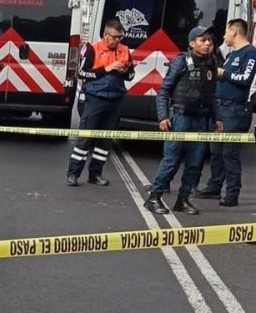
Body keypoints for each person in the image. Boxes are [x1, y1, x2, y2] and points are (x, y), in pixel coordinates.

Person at [144, 26, 223, 215]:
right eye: (202, 40)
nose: (207, 44)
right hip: (180, 118)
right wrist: (163, 117)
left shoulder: (212, 61)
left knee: (195, 164)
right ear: (191, 43)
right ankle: (154, 197)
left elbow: (212, 95)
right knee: (171, 161)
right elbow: (163, 92)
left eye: (209, 41)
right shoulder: (181, 62)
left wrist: (217, 118)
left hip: (202, 119)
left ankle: (183, 199)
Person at [193, 19, 256, 207]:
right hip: (221, 108)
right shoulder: (230, 54)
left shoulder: (250, 53)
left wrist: (224, 74)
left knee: (230, 152)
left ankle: (232, 192)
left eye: (226, 32)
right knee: (217, 151)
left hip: (234, 109)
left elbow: (245, 78)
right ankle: (214, 186)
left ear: (235, 32)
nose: (223, 36)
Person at [67, 18, 134, 187]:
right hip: (96, 98)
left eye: (120, 37)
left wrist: (125, 71)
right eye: (115, 37)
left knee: (105, 140)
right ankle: (73, 174)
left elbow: (131, 75)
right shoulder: (92, 49)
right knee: (86, 138)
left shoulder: (125, 50)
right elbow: (82, 73)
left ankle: (95, 174)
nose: (118, 40)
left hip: (116, 99)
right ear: (105, 35)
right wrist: (107, 69)